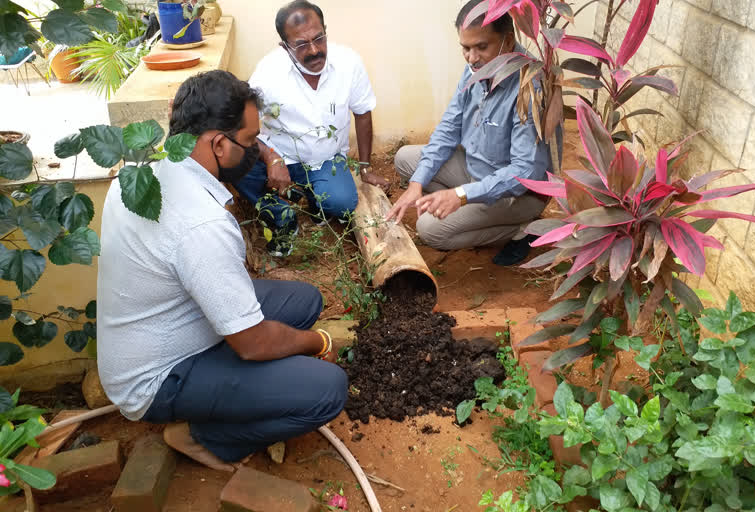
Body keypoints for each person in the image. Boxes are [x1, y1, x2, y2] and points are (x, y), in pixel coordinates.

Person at [97, 70, 347, 471]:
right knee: (328, 390)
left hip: (167, 323)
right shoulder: (202, 224)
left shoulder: (139, 175)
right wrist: (317, 343)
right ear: (217, 144)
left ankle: (231, 388)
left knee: (304, 300)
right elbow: (254, 344)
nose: (254, 150)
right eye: (250, 142)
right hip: (154, 378)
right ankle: (203, 437)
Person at [386, 0, 554, 266]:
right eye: (465, 48)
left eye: (481, 47)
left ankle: (525, 228)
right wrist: (417, 184)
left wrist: (461, 195)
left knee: (430, 230)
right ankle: (465, 205)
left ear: (508, 41)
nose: (472, 58)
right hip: (475, 168)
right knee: (406, 159)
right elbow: (449, 127)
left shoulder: (530, 86)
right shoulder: (475, 68)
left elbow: (525, 172)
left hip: (516, 194)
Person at [233, 0, 389, 254]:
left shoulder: (349, 63)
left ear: (326, 31)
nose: (315, 50)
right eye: (302, 44)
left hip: (325, 159)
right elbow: (242, 125)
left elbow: (362, 113)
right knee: (236, 164)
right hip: (280, 160)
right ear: (284, 46)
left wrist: (365, 167)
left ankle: (314, 199)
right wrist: (271, 157)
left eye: (319, 38)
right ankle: (282, 216)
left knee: (341, 203)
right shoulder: (268, 72)